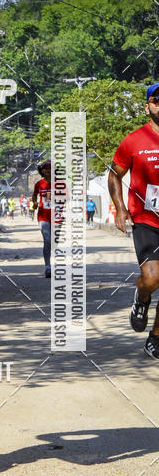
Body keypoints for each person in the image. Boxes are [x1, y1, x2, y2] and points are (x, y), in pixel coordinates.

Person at [109, 82, 159, 359]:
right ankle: (142, 297)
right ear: (148, 106)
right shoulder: (134, 140)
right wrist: (119, 208)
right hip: (146, 219)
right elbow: (114, 174)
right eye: (156, 100)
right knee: (152, 277)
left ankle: (156, 336)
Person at [32, 161, 55, 277]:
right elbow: (34, 196)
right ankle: (48, 267)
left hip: (56, 217)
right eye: (45, 168)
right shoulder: (39, 184)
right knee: (47, 240)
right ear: (41, 171)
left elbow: (67, 197)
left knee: (53, 242)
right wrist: (35, 203)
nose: (47, 170)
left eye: (50, 168)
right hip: (43, 216)